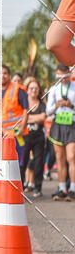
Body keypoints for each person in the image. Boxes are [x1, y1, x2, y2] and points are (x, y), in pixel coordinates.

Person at [45, 64, 75, 201]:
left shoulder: (74, 87)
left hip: (71, 123)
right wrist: (56, 105)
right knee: (60, 158)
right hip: (58, 123)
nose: (62, 79)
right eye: (59, 76)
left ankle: (73, 189)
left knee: (71, 157)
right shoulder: (53, 89)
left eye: (64, 76)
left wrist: (71, 105)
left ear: (69, 74)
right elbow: (48, 111)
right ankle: (62, 188)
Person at [19, 78, 46, 197]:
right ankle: (21, 186)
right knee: (22, 161)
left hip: (38, 137)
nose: (34, 90)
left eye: (36, 88)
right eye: (31, 88)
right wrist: (35, 118)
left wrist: (27, 119)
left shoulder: (42, 104)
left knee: (38, 162)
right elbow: (20, 118)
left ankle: (38, 187)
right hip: (25, 137)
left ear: (39, 90)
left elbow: (43, 117)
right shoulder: (23, 104)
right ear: (27, 90)